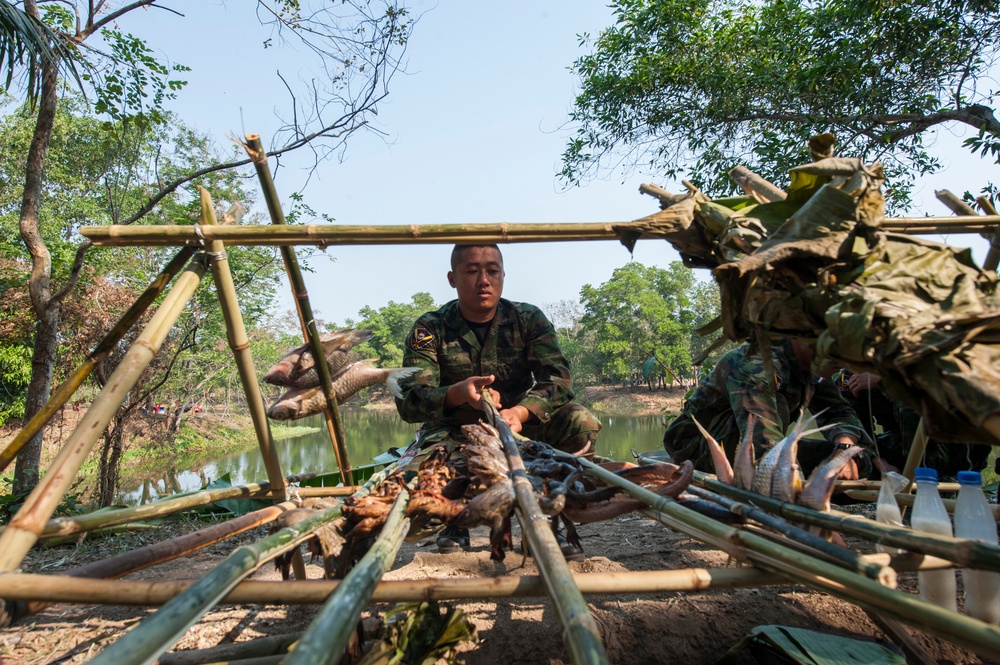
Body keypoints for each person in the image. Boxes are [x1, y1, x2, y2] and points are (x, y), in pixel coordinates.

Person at [395, 244, 601, 556]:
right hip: (453, 429)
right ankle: (454, 521)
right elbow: (409, 401)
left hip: (518, 425)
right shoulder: (429, 328)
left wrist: (522, 411)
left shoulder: (529, 319)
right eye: (472, 271)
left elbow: (558, 380)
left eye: (492, 270)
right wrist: (457, 393)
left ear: (503, 275)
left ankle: (549, 519)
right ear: (452, 278)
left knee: (580, 421)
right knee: (421, 478)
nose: (484, 280)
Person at [662, 339, 870, 481]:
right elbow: (763, 442)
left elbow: (838, 411)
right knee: (777, 465)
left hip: (762, 446)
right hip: (698, 448)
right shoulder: (756, 364)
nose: (844, 360)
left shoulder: (812, 368)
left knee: (863, 458)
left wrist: (843, 451)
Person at [837, 372, 990, 480]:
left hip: (959, 450)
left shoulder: (928, 346)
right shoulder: (853, 373)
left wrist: (891, 379)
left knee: (911, 398)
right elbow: (853, 423)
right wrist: (878, 461)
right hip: (900, 453)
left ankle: (932, 482)